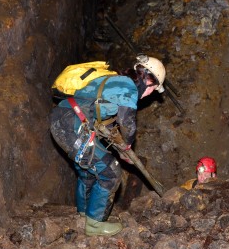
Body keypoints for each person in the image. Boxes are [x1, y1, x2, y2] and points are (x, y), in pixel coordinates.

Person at [50, 55, 166, 236]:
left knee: (88, 171)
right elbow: (127, 122)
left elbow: (109, 126)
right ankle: (95, 225)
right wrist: (127, 145)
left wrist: (121, 149)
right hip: (72, 124)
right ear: (147, 78)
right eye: (153, 88)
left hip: (63, 119)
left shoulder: (114, 84)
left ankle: (84, 215)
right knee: (110, 172)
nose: (151, 93)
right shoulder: (128, 87)